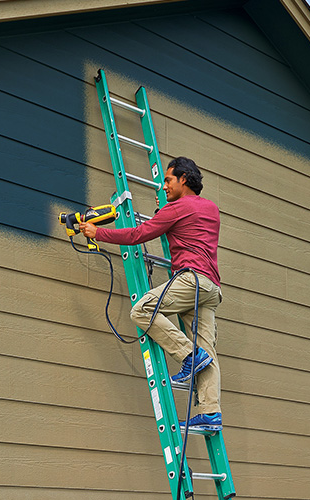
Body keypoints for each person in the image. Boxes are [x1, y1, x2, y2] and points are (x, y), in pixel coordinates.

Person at [80, 157, 223, 431]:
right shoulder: (211, 209)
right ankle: (210, 413)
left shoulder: (178, 208)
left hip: (191, 280)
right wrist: (164, 214)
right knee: (208, 349)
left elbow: (138, 234)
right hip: (211, 288)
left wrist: (98, 232)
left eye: (168, 180)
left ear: (184, 178)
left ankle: (189, 356)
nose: (164, 186)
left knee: (142, 310)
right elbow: (186, 232)